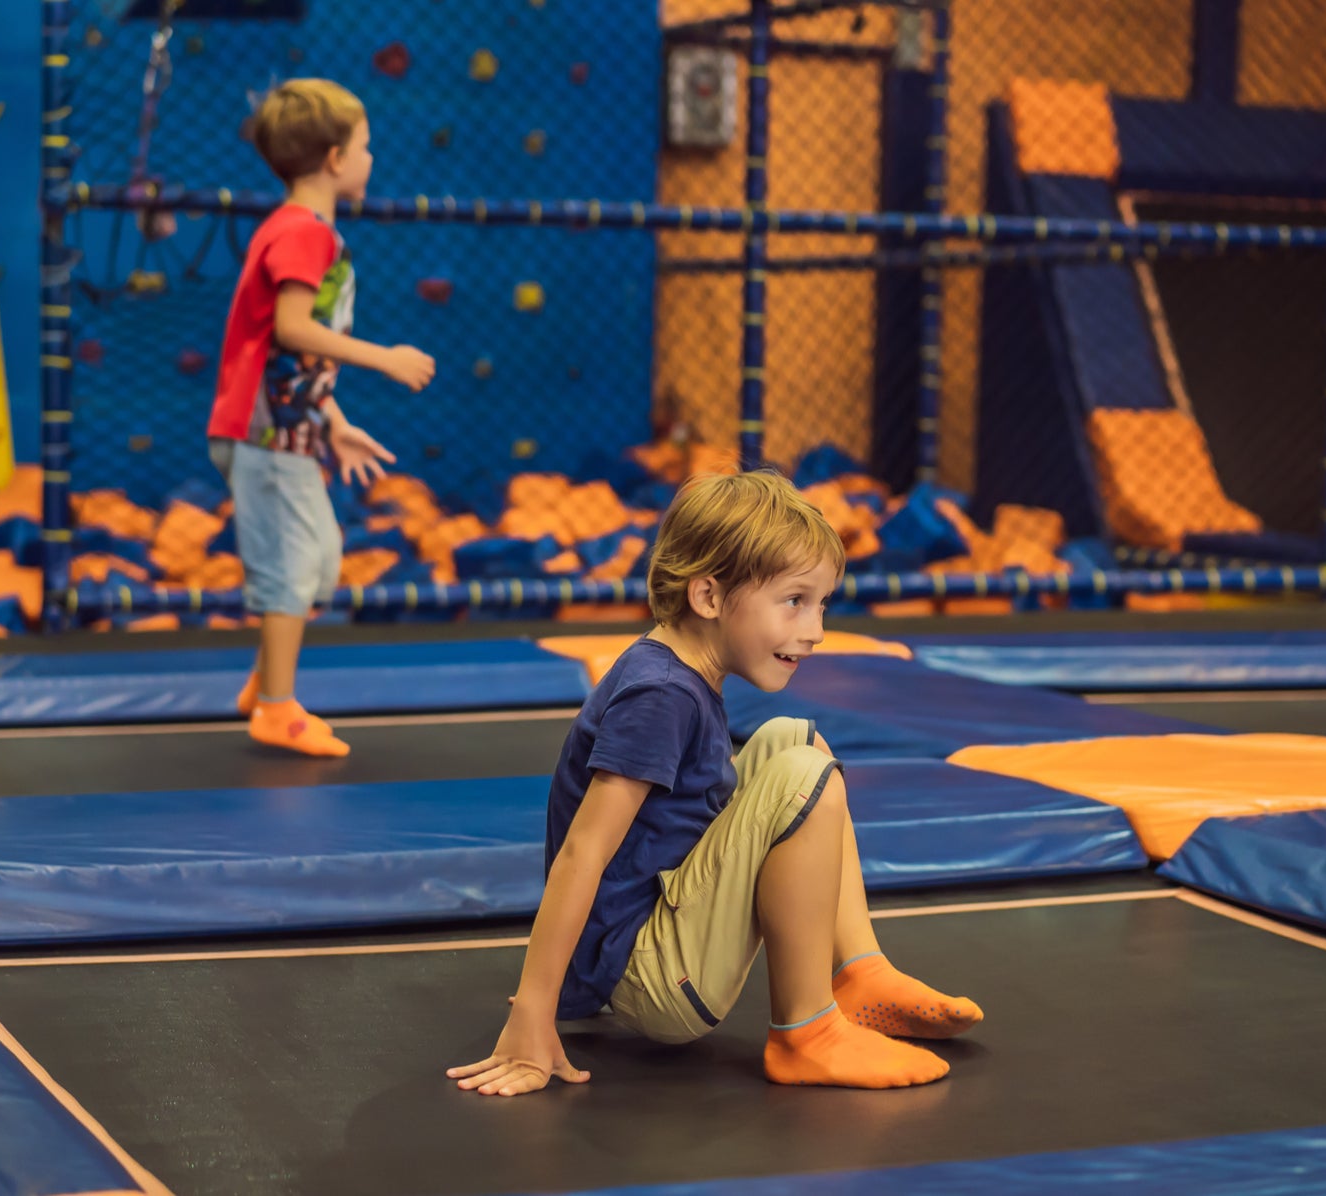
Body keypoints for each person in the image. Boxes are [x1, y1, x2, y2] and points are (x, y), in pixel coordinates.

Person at [448, 470, 983, 1095]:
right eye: (793, 602)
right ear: (707, 597)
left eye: (821, 604)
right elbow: (582, 853)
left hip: (643, 943)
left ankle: (862, 970)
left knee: (797, 739)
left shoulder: (674, 669)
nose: (814, 629)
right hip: (649, 977)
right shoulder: (662, 697)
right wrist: (533, 1014)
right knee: (800, 774)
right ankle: (806, 1033)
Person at [207, 79, 435, 758]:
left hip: (285, 425)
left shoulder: (301, 231)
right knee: (293, 563)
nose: (373, 157)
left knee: (323, 563)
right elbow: (293, 328)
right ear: (335, 158)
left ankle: (263, 681)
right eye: (366, 146)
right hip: (264, 433)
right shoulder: (305, 235)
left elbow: (278, 350)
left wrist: (331, 418)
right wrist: (382, 358)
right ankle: (275, 707)